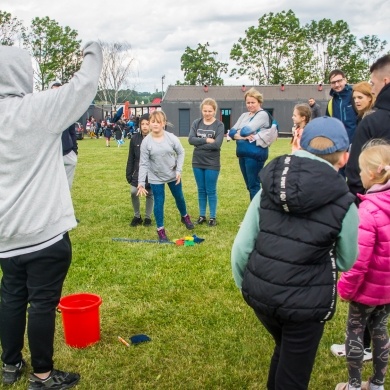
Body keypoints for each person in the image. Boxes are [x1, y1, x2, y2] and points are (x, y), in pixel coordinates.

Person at [0, 42, 102, 388]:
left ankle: (10, 365)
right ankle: (42, 376)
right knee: (41, 304)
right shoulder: (38, 109)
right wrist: (92, 48)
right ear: (22, 74)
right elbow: (84, 84)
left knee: (12, 297)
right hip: (44, 232)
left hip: (5, 234)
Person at [231, 116, 359, 390]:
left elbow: (241, 247)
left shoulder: (268, 186)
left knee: (285, 350)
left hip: (263, 296)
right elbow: (347, 259)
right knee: (294, 376)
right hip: (305, 305)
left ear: (299, 144)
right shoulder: (346, 204)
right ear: (345, 157)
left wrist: (249, 285)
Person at [335, 142, 390, 390]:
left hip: (366, 290)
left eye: (359, 171)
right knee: (380, 330)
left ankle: (355, 385)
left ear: (371, 174)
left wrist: (345, 288)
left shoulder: (368, 210)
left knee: (355, 331)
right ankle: (378, 384)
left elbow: (359, 260)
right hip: (387, 290)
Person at [330, 80, 377, 361]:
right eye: (355, 97)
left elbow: (359, 254)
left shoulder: (370, 122)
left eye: (362, 96)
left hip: (365, 193)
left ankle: (360, 347)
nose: (356, 100)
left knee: (362, 307)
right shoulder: (362, 120)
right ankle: (370, 346)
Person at [137, 110, 194, 242]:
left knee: (179, 197)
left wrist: (179, 170)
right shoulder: (146, 142)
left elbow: (181, 152)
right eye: (153, 122)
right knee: (159, 202)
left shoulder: (171, 138)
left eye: (158, 122)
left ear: (164, 123)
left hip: (173, 175)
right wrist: (140, 182)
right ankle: (160, 230)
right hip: (155, 177)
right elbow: (143, 163)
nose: (155, 124)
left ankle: (184, 216)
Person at [346, 54, 390, 196]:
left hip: (374, 203)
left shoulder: (373, 121)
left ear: (385, 81)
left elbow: (355, 173)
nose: (372, 89)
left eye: (373, 83)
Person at [228, 87, 271, 200]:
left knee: (254, 185)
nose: (250, 105)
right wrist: (242, 136)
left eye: (253, 102)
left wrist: (240, 134)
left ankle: (257, 212)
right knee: (249, 185)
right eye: (248, 102)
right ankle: (259, 207)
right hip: (243, 153)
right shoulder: (244, 115)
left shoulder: (262, 114)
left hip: (255, 154)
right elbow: (232, 132)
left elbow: (245, 130)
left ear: (259, 102)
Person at [188, 98, 225, 227]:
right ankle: (202, 215)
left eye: (210, 111)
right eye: (205, 111)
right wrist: (206, 140)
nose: (207, 113)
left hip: (212, 163)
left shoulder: (219, 125)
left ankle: (212, 217)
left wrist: (199, 143)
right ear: (201, 110)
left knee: (211, 190)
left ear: (214, 111)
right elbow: (191, 140)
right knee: (201, 190)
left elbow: (217, 145)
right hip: (197, 161)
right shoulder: (196, 123)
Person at [126, 113, 154, 227]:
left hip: (151, 172)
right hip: (137, 171)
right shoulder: (134, 138)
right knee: (133, 192)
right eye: (142, 124)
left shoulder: (155, 138)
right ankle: (137, 216)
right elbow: (131, 158)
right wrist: (128, 173)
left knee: (150, 193)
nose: (145, 126)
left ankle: (148, 217)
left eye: (147, 124)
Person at [50, 82, 79, 191]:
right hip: (51, 154)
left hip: (66, 152)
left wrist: (74, 151)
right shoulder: (46, 110)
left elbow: (72, 132)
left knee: (66, 187)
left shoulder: (67, 111)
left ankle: (64, 204)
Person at [326, 70, 358, 145]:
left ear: (345, 80)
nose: (337, 85)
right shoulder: (331, 103)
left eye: (339, 81)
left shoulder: (355, 97)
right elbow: (328, 125)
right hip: (338, 146)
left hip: (356, 145)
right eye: (333, 82)